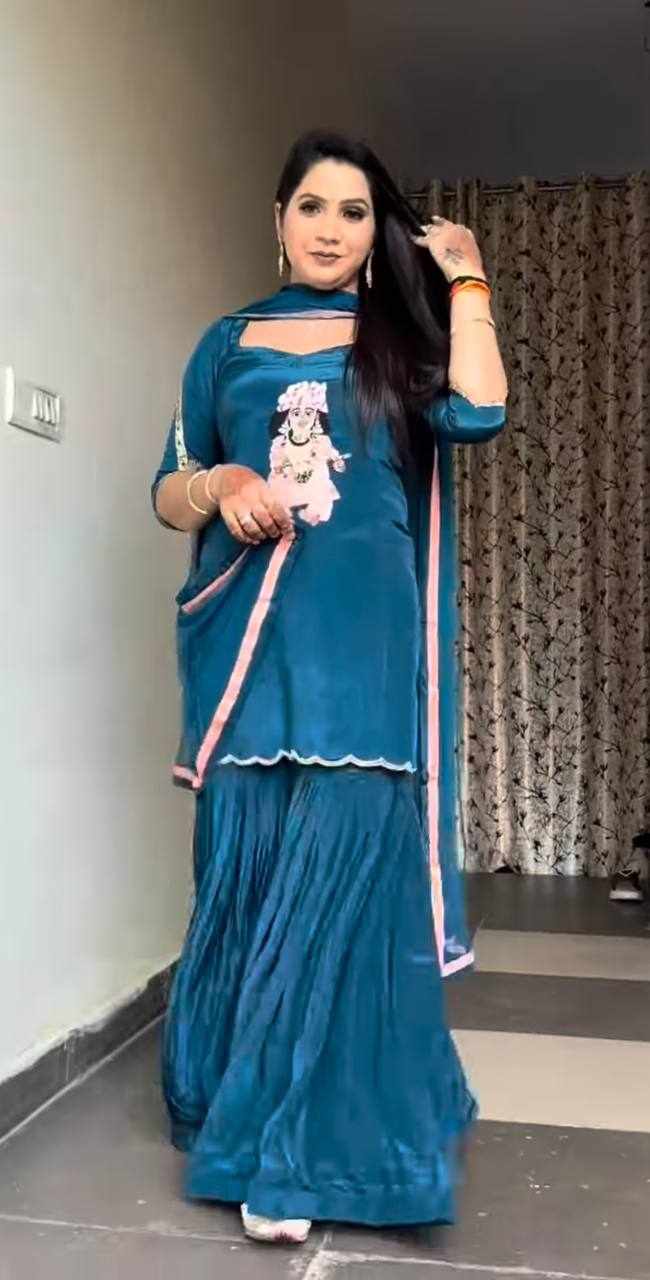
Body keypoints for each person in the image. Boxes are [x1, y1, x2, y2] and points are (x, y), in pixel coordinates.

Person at [151, 129, 508, 1245]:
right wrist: (224, 479)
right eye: (311, 205)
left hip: (361, 636)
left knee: (341, 881)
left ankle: (299, 1148)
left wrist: (465, 279)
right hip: (248, 639)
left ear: (372, 231)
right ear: (278, 218)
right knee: (247, 865)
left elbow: (481, 411)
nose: (330, 228)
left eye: (354, 212)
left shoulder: (400, 340)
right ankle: (233, 1098)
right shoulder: (226, 342)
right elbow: (166, 489)